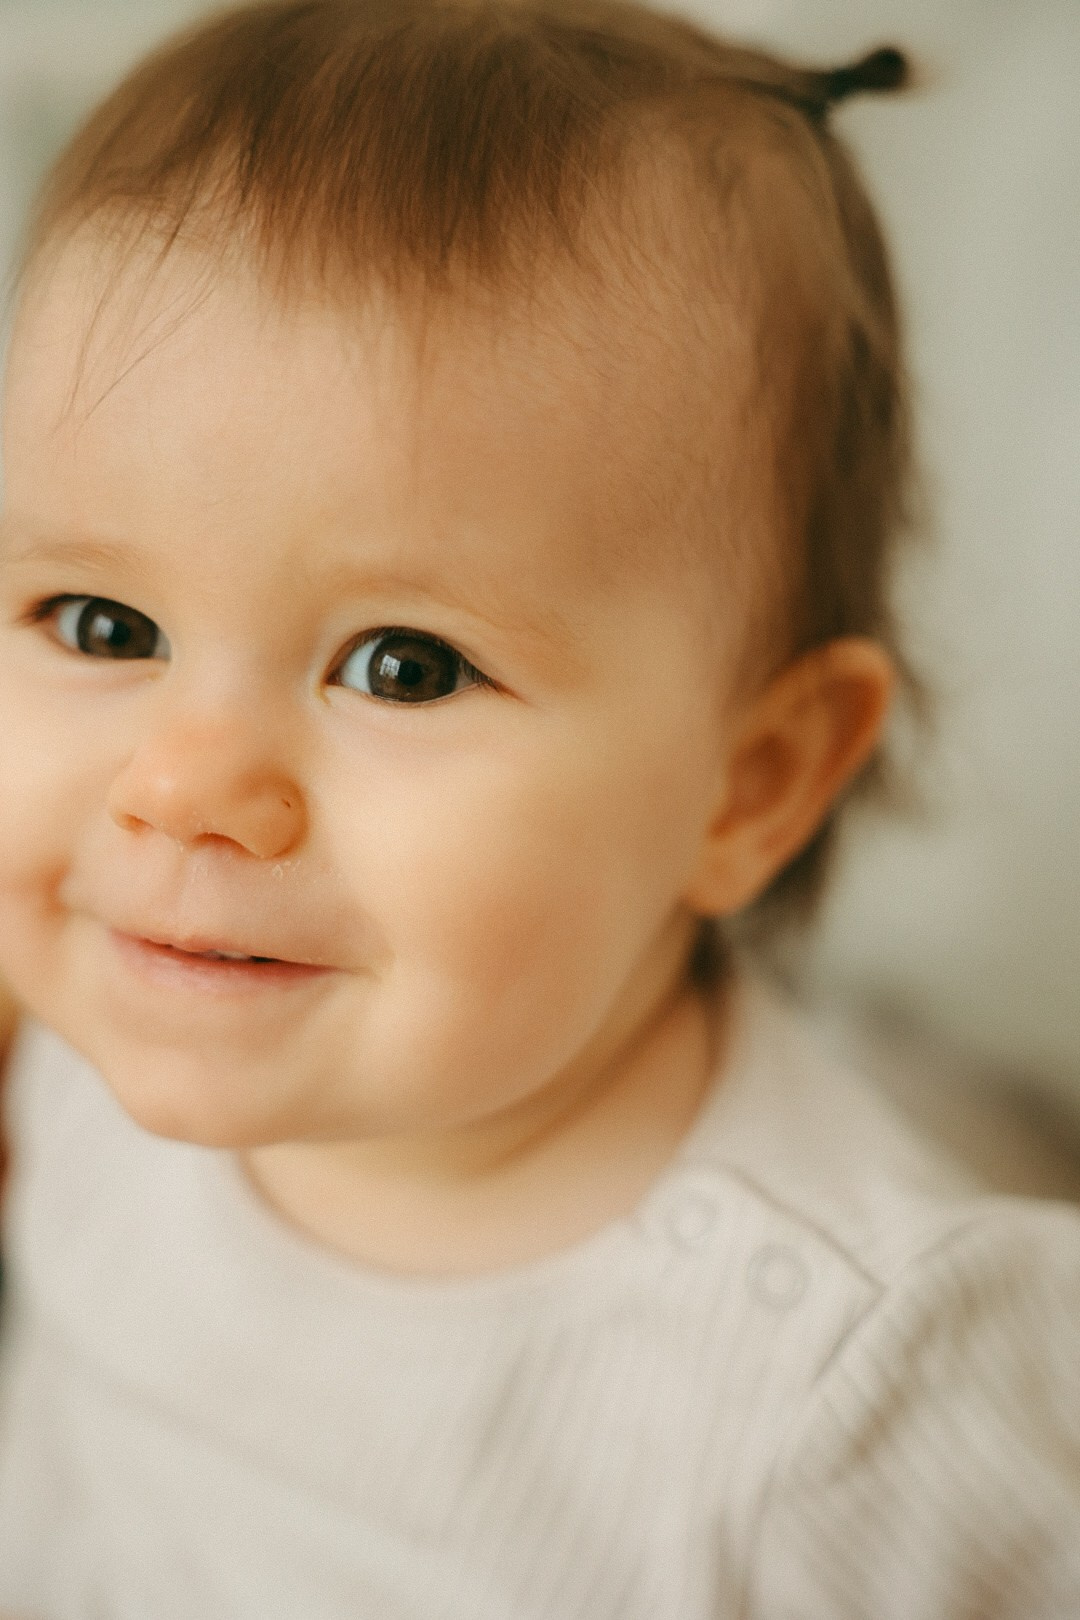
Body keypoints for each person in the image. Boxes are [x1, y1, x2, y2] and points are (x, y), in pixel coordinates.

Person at [0, 1, 1076, 1615]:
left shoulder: (867, 1387)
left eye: (406, 664)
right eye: (102, 627)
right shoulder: (107, 1022)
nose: (182, 790)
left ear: (755, 780)